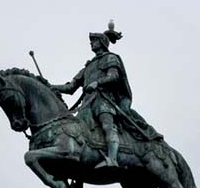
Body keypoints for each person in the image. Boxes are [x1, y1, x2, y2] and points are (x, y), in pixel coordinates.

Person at [52, 21, 162, 170]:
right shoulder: (88, 66)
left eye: (94, 41)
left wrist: (97, 83)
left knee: (107, 125)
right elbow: (70, 87)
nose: (91, 44)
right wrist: (49, 86)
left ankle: (112, 159)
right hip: (87, 104)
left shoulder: (111, 58)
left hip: (104, 100)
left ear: (102, 42)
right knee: (77, 133)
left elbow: (114, 76)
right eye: (91, 42)